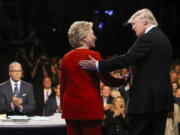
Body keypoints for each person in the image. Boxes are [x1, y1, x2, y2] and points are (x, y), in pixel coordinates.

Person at [79, 8, 174, 135]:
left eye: (134, 24)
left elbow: (126, 59)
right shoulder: (163, 39)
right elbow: (152, 69)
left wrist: (98, 65)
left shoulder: (147, 38)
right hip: (160, 102)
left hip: (145, 103)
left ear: (145, 21)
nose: (133, 28)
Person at [60, 21, 125, 135]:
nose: (95, 36)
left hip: (70, 109)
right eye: (92, 33)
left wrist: (63, 106)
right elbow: (107, 80)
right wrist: (124, 80)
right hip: (89, 109)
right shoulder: (93, 56)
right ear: (84, 37)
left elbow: (63, 86)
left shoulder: (65, 58)